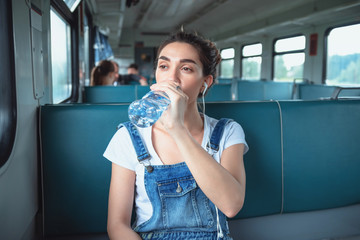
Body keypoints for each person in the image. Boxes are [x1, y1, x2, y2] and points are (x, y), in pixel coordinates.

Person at [104, 31, 248, 240]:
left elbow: (231, 206)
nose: (171, 78)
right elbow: (117, 225)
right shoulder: (128, 137)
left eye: (186, 68)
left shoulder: (228, 132)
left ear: (204, 83)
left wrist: (178, 129)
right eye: (164, 66)